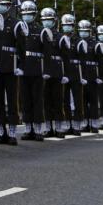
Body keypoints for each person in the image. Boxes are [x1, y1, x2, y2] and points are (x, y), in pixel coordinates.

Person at [0, 0, 24, 145]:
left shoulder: (16, 23)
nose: (1, 6)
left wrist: (21, 65)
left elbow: (22, 47)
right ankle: (0, 131)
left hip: (11, 65)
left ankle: (12, 132)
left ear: (9, 5)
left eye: (4, 4)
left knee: (12, 100)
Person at [19, 1, 50, 141]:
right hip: (23, 69)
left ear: (34, 15)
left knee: (37, 99)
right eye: (24, 13)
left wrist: (46, 70)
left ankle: (37, 129)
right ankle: (28, 128)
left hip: (37, 68)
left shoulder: (41, 30)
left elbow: (47, 53)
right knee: (25, 99)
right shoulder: (19, 28)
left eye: (30, 13)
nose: (27, 16)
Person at [40, 8, 66, 139]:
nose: (46, 22)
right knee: (46, 101)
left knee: (57, 100)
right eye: (44, 20)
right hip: (44, 70)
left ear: (54, 21)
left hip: (56, 70)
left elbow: (65, 56)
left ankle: (59, 127)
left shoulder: (60, 37)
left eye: (49, 20)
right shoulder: (40, 34)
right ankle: (48, 127)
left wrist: (65, 73)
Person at [59, 14, 85, 136]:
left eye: (69, 25)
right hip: (64, 71)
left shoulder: (79, 41)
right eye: (65, 25)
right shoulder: (60, 39)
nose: (67, 27)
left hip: (75, 71)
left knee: (77, 99)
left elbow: (83, 59)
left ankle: (77, 125)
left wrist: (83, 76)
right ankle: (68, 124)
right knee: (65, 100)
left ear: (73, 26)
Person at [77, 20, 100, 133]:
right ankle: (85, 122)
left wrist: (99, 75)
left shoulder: (95, 44)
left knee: (93, 100)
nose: (83, 33)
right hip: (81, 73)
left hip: (92, 73)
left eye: (86, 31)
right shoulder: (77, 42)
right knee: (83, 101)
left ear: (90, 32)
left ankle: (94, 123)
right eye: (81, 31)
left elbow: (100, 61)